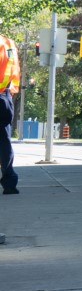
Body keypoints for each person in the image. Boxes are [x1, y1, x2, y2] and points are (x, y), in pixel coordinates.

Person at [0, 34, 20, 195]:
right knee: (4, 142)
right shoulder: (9, 43)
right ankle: (9, 183)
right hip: (5, 96)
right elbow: (15, 71)